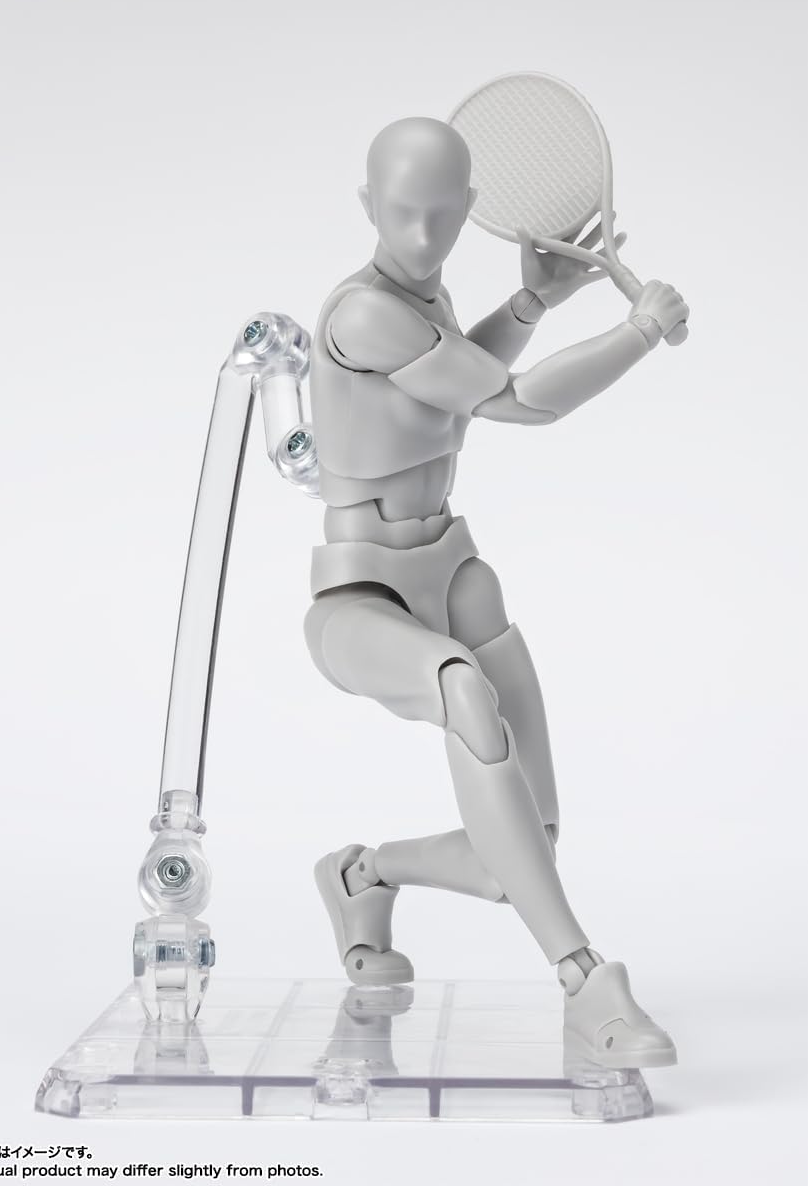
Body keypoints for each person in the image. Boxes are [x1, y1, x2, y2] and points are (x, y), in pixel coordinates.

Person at [304, 116, 688, 1068]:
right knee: (465, 693)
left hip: (451, 567)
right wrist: (638, 331)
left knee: (524, 844)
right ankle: (584, 980)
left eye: (443, 214)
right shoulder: (363, 314)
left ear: (470, 209)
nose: (423, 235)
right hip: (360, 598)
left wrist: (528, 302)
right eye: (402, 212)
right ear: (366, 204)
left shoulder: (423, 298)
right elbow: (514, 401)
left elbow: (455, 375)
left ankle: (362, 876)